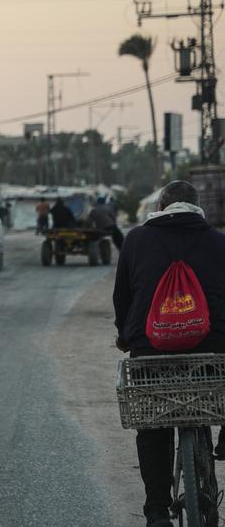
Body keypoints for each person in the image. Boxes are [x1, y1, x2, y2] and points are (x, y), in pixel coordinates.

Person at [113, 181, 225, 526]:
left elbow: (122, 297)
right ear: (198, 207)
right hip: (212, 350)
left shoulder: (136, 239)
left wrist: (126, 336)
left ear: (160, 207)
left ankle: (157, 511)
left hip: (150, 348)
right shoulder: (219, 241)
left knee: (153, 425)